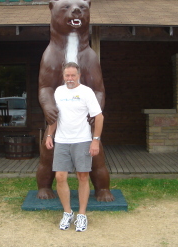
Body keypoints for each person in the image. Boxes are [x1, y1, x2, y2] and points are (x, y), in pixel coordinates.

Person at [45, 62, 104, 232]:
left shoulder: (86, 92)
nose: (70, 78)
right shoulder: (59, 91)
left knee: (83, 176)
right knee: (60, 177)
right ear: (63, 76)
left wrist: (95, 140)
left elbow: (99, 117)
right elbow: (55, 117)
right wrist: (50, 135)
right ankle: (67, 212)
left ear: (79, 75)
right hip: (62, 141)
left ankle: (82, 215)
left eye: (73, 75)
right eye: (67, 75)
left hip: (83, 140)